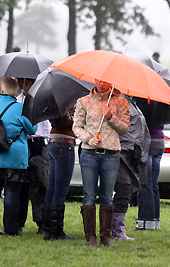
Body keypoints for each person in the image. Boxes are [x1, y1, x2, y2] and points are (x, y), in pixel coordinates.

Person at [73, 79, 130, 247]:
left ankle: (106, 237)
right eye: (98, 79)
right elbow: (77, 127)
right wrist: (88, 138)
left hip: (111, 154)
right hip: (89, 154)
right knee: (89, 195)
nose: (101, 83)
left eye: (105, 80)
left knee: (107, 195)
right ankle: (90, 237)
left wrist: (111, 117)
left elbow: (125, 128)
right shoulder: (83, 101)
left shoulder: (121, 102)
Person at [0, 77, 37, 236]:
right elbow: (32, 130)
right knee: (12, 192)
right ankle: (11, 229)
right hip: (14, 158)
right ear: (16, 91)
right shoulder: (21, 108)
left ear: (2, 90)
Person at [111, 96, 150, 240]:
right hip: (119, 154)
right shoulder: (118, 103)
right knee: (123, 190)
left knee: (125, 192)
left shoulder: (133, 104)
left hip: (130, 155)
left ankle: (116, 229)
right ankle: (115, 231)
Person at [17, 77, 51, 235]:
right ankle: (18, 223)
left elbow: (47, 126)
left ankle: (42, 223)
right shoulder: (17, 100)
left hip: (38, 145)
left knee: (39, 185)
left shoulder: (40, 100)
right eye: (18, 80)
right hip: (24, 144)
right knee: (22, 186)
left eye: (22, 80)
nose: (19, 83)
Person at [43, 107, 77, 241]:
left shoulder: (52, 101)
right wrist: (78, 117)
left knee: (52, 190)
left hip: (53, 142)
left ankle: (48, 230)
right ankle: (56, 231)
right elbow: (66, 122)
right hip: (64, 144)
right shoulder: (63, 103)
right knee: (60, 191)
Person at [135, 123, 163, 230]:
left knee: (145, 182)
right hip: (160, 142)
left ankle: (145, 221)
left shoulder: (146, 107)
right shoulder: (162, 107)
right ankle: (155, 220)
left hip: (147, 143)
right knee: (154, 184)